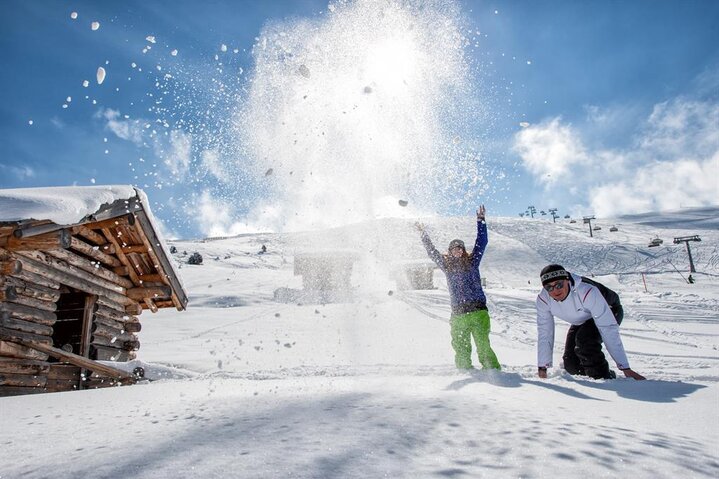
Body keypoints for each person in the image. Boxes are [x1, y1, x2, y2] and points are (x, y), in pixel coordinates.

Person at [415, 206, 501, 370]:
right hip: (458, 314)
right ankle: (464, 372)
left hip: (478, 313)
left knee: (483, 345)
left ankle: (493, 372)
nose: (457, 251)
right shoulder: (446, 266)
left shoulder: (472, 262)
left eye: (460, 248)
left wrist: (481, 221)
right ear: (450, 251)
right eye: (454, 248)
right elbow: (432, 252)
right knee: (460, 347)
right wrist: (423, 234)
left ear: (463, 250)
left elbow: (482, 242)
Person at [535, 264, 645, 380]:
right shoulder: (543, 300)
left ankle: (604, 378)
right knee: (571, 365)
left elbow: (608, 329)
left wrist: (625, 367)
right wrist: (543, 368)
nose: (555, 290)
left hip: (610, 309)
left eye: (559, 284)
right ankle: (597, 374)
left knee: (585, 342)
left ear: (566, 280)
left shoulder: (586, 291)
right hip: (583, 319)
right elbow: (545, 333)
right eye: (549, 287)